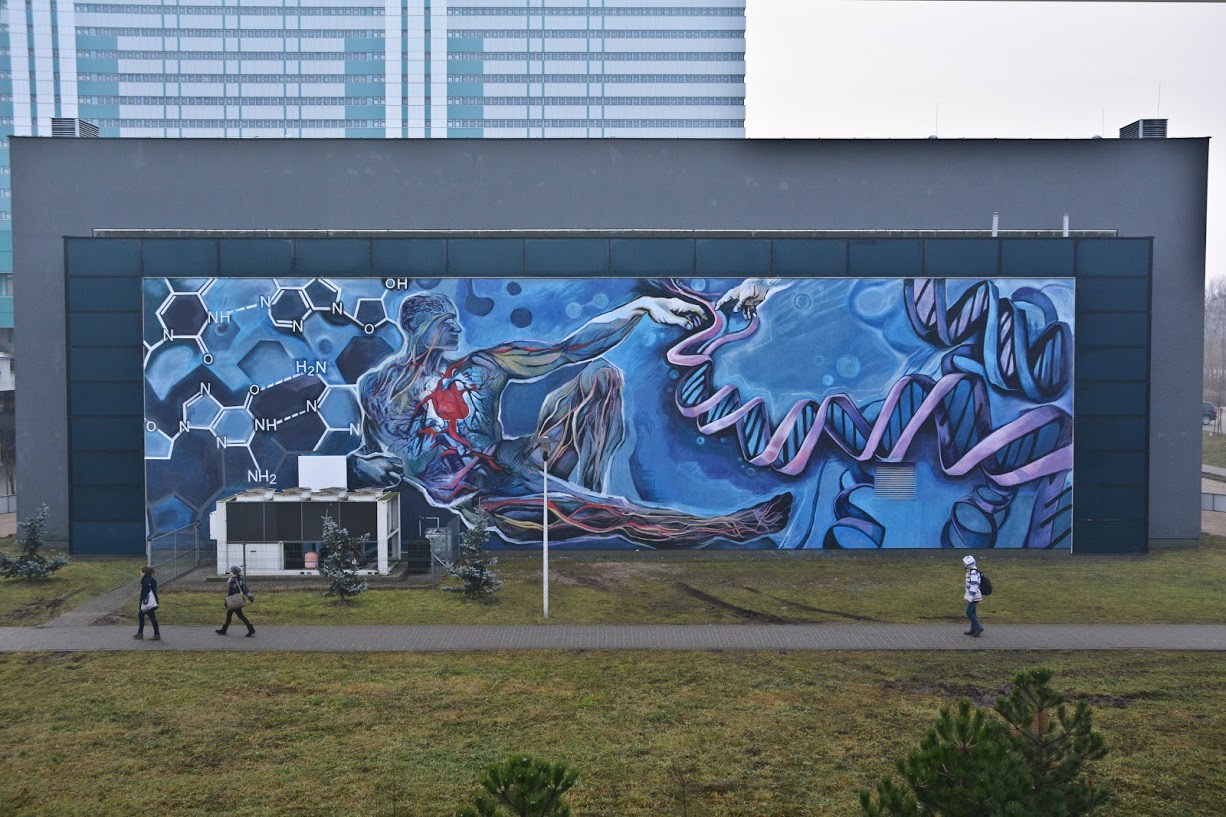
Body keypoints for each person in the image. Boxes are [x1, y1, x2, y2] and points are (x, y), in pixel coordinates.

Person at [347, 291, 792, 549]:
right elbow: (371, 451)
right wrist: (363, 465)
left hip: (511, 466)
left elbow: (568, 351)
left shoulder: (482, 367)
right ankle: (733, 527)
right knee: (613, 515)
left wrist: (638, 308)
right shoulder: (377, 387)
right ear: (423, 327)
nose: (458, 329)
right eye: (447, 322)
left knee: (601, 377)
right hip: (475, 496)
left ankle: (587, 487)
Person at [216, 565, 255, 637]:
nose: (230, 572)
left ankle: (251, 629)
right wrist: (250, 597)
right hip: (237, 600)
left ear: (234, 573)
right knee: (229, 615)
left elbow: (231, 592)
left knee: (240, 616)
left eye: (231, 571)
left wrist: (226, 601)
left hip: (234, 601)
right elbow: (245, 590)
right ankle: (224, 630)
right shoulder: (240, 580)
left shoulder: (233, 581)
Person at [133, 565, 160, 641]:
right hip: (153, 602)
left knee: (145, 616)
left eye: (141, 572)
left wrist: (141, 603)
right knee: (147, 616)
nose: (140, 573)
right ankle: (142, 633)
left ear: (144, 573)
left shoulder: (145, 580)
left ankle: (154, 634)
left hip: (147, 603)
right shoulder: (153, 580)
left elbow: (144, 593)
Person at [963, 554, 984, 637]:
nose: (964, 564)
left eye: (965, 563)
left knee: (968, 611)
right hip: (974, 596)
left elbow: (974, 585)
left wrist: (971, 596)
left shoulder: (973, 572)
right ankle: (973, 629)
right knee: (973, 612)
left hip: (974, 597)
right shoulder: (971, 571)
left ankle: (978, 627)